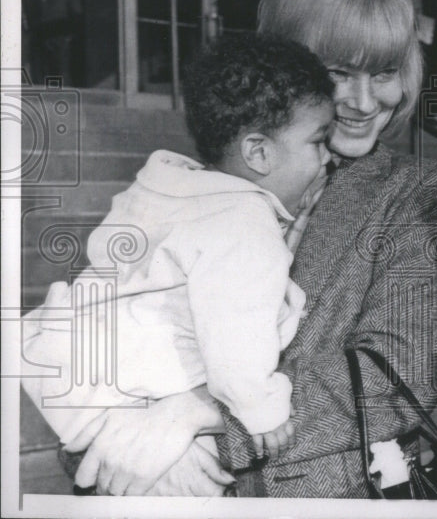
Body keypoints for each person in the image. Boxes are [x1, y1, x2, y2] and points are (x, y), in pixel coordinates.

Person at [63, 0, 437, 499]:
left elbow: (394, 376)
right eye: (338, 71)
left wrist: (199, 420)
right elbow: (105, 323)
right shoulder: (203, 184)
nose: (362, 100)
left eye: (382, 72)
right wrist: (110, 432)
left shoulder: (417, 196)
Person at [21, 33, 335, 484]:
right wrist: (264, 411)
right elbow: (237, 345)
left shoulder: (172, 185)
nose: (327, 158)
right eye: (317, 141)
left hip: (87, 381)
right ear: (258, 152)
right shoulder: (244, 224)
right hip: (144, 398)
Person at [32, 0, 83, 84]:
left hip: (61, 38)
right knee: (46, 70)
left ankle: (67, 100)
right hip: (44, 38)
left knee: (61, 70)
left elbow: (76, 14)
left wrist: (68, 36)